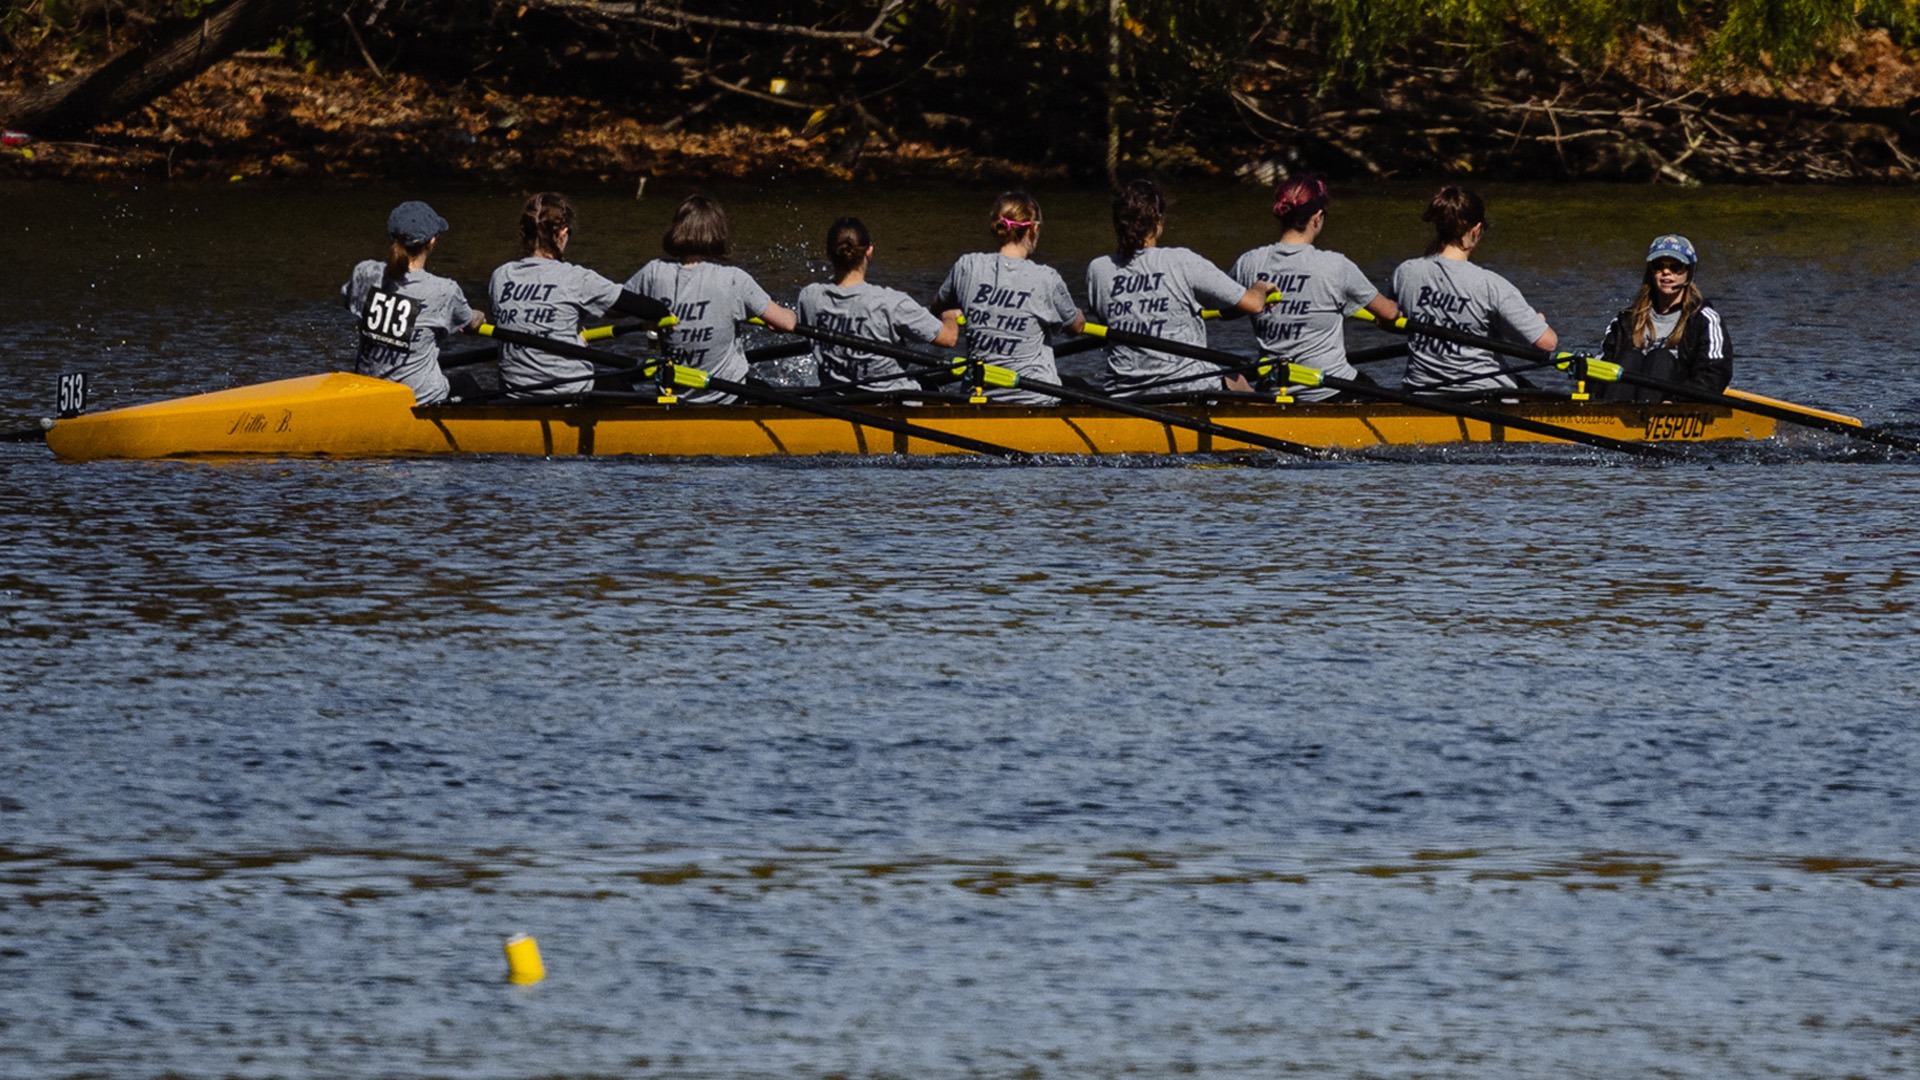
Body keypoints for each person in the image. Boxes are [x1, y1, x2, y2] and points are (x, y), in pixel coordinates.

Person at [1086, 179, 1274, 397]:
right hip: (1186, 387)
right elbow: (1253, 304)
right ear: (1158, 220)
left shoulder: (1099, 269)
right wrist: (1261, 287)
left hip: (1124, 391)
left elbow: (1107, 322)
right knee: (1237, 379)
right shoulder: (1182, 260)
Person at [1230, 174, 1398, 402]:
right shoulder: (1336, 265)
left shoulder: (1248, 263)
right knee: (1384, 395)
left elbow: (1225, 308)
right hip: (1331, 387)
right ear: (1317, 217)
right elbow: (1388, 313)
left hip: (1273, 387)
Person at [488, 192, 670, 401]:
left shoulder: (501, 276)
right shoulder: (575, 278)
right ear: (563, 233)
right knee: (620, 383)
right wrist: (663, 315)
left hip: (515, 391)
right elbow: (646, 308)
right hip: (567, 392)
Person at [625, 194, 797, 405]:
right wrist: (790, 314)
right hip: (726, 394)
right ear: (719, 232)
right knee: (776, 398)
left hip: (672, 394)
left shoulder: (652, 273)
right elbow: (788, 324)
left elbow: (612, 309)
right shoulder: (734, 279)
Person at [1389, 184, 1557, 395]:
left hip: (1420, 391)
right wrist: (1534, 323)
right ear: (1476, 229)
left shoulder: (1406, 272)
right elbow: (1548, 343)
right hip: (1481, 394)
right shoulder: (1490, 285)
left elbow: (1390, 322)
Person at [933, 190, 1084, 405]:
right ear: (1033, 228)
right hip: (1034, 397)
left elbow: (937, 308)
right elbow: (1076, 328)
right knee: (1083, 389)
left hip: (978, 394)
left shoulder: (967, 266)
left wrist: (951, 315)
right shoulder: (1046, 278)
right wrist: (1076, 313)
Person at [795, 216, 958, 397]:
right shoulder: (892, 303)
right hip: (890, 402)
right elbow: (948, 339)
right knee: (931, 386)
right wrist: (949, 315)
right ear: (869, 252)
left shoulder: (809, 297)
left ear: (828, 254)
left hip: (835, 398)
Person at [340, 200, 483, 406]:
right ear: (432, 242)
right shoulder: (444, 290)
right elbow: (470, 323)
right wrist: (478, 316)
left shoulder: (365, 272)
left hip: (370, 392)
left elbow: (349, 301)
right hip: (420, 398)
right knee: (466, 384)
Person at [1594, 234, 1732, 401]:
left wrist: (1676, 401)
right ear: (1650, 271)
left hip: (1675, 406)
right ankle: (1611, 417)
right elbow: (1602, 367)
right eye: (1658, 266)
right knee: (1630, 357)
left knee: (1660, 358)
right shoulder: (1626, 320)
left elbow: (1714, 375)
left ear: (1689, 273)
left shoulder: (1704, 319)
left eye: (1676, 267)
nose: (1666, 272)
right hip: (1622, 400)